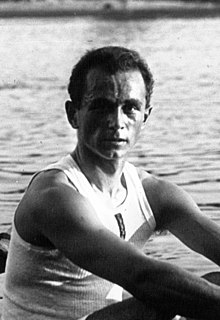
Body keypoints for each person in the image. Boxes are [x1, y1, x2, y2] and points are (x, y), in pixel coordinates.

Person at [2, 46, 220, 320]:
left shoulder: (155, 193)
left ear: (145, 116)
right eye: (101, 106)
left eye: (130, 108)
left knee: (214, 282)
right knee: (164, 297)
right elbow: (145, 278)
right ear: (73, 114)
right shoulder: (54, 195)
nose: (117, 122)